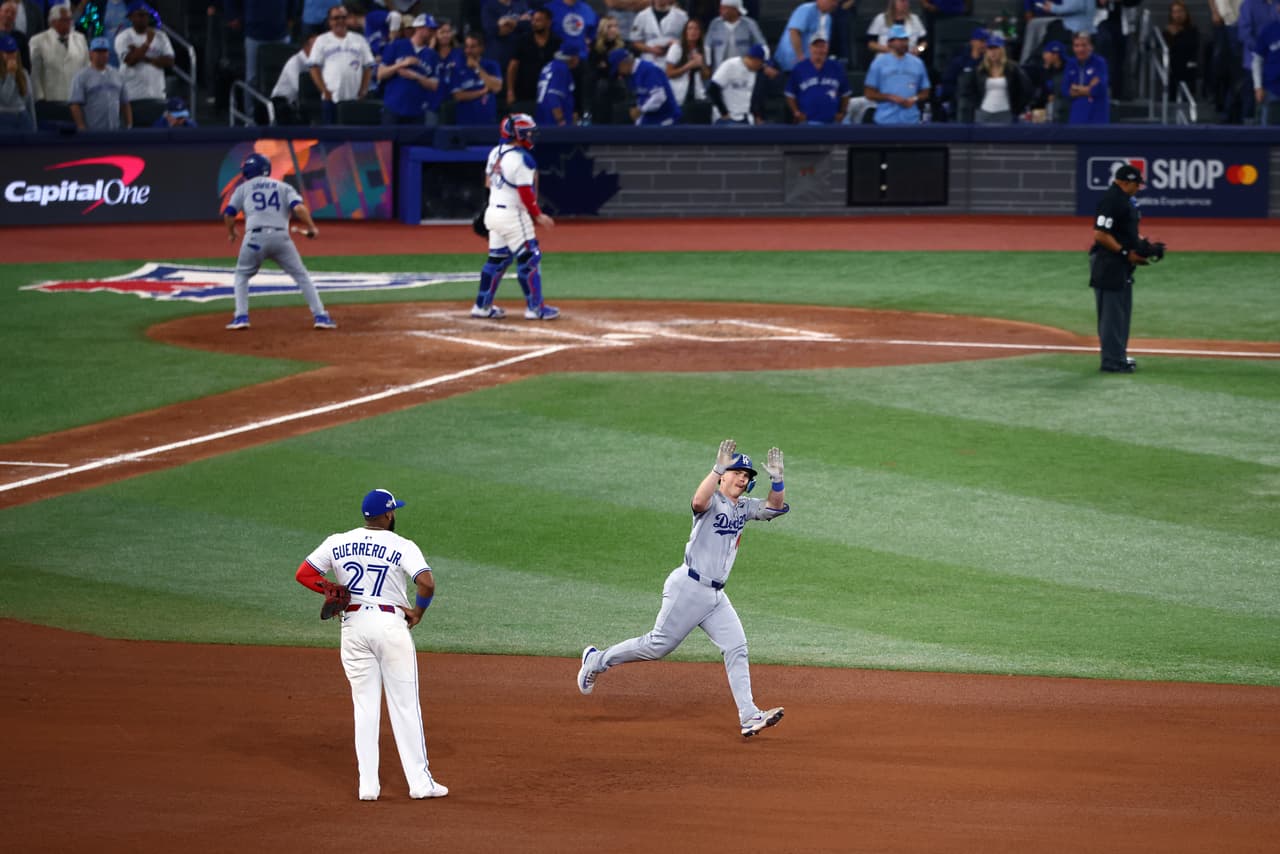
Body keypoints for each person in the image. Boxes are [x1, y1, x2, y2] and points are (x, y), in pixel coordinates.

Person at [576, 440, 790, 739]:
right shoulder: (712, 501)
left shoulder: (744, 508)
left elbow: (775, 508)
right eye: (738, 472)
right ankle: (596, 660)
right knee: (656, 646)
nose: (743, 478)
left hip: (715, 596)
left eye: (747, 475)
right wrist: (716, 467)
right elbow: (698, 502)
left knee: (737, 647)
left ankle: (748, 714)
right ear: (723, 476)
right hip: (688, 587)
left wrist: (777, 480)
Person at [294, 488, 448, 801]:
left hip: (352, 628)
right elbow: (427, 582)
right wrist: (418, 612)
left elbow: (304, 574)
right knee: (404, 705)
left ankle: (368, 786)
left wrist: (331, 588)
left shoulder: (337, 541)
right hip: (390, 626)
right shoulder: (402, 545)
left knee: (364, 706)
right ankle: (420, 784)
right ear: (389, 514)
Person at [222, 152, 335, 331]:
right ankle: (320, 315)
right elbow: (298, 208)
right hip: (281, 238)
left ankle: (241, 317)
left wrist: (231, 232)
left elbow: (229, 214)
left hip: (254, 239)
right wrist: (312, 227)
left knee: (242, 276)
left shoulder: (243, 189)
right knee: (301, 276)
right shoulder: (282, 187)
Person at [471, 113, 559, 321]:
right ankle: (535, 308)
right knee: (530, 258)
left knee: (497, 260)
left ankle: (482, 306)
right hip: (513, 215)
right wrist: (538, 215)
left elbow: (487, 184)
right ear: (516, 133)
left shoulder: (495, 153)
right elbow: (526, 194)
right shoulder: (522, 159)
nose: (531, 136)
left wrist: (486, 212)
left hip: (493, 211)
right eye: (527, 132)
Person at [1089, 163, 1161, 374]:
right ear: (1124, 182)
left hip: (1120, 264)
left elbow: (1126, 232)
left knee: (1121, 313)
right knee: (1112, 315)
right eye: (1136, 184)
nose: (1138, 187)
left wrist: (1145, 246)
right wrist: (1125, 253)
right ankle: (1112, 361)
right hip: (1108, 263)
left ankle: (1118, 355)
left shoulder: (1124, 200)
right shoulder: (1111, 200)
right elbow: (1100, 234)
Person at [309, 4, 375, 124]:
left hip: (355, 99)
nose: (340, 21)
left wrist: (364, 89)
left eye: (343, 17)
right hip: (331, 99)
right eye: (336, 18)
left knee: (354, 138)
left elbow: (368, 66)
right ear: (329, 21)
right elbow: (314, 68)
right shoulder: (321, 40)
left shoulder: (359, 39)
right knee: (330, 138)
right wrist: (324, 91)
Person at [223, 0, 290, 109]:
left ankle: (282, 114)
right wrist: (233, 15)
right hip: (254, 33)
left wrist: (290, 16)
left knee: (284, 79)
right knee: (252, 78)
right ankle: (250, 118)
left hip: (280, 31)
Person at [377, 14, 440, 125]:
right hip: (393, 107)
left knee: (414, 142)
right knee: (388, 141)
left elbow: (434, 85)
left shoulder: (432, 55)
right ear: (419, 28)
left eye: (433, 30)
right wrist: (401, 64)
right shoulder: (397, 45)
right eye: (429, 29)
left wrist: (416, 76)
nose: (431, 33)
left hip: (417, 110)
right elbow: (380, 74)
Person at [959, 31, 1031, 122]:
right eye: (990, 49)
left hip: (1005, 112)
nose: (993, 52)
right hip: (984, 112)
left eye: (996, 48)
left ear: (1002, 50)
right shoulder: (980, 70)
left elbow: (1026, 89)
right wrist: (976, 106)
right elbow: (970, 91)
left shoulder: (1012, 69)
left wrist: (1017, 109)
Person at [864, 23, 930, 123]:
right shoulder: (878, 63)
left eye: (905, 40)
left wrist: (914, 98)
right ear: (890, 43)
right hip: (885, 120)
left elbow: (925, 91)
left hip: (911, 119)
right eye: (899, 40)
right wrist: (890, 97)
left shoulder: (917, 63)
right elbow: (869, 93)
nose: (904, 43)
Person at [114, 0, 173, 101]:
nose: (144, 18)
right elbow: (130, 61)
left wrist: (143, 56)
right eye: (140, 15)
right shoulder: (123, 37)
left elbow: (169, 62)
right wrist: (147, 43)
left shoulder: (160, 36)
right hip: (131, 95)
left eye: (146, 15)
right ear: (130, 17)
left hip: (157, 94)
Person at [785, 32, 849, 122]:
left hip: (832, 122)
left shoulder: (837, 67)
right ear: (810, 48)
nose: (819, 50)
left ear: (827, 48)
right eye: (816, 46)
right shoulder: (799, 68)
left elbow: (845, 93)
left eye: (822, 46)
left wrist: (842, 113)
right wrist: (796, 112)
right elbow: (790, 94)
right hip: (808, 122)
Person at [29, 4, 87, 105]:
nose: (69, 23)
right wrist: (39, 98)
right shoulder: (38, 41)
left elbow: (86, 68)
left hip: (77, 100)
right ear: (53, 22)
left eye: (70, 19)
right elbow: (35, 73)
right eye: (65, 20)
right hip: (51, 100)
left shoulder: (80, 39)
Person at [67, 36, 130, 129]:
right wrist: (81, 126)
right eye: (98, 51)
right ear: (91, 54)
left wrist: (129, 125)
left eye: (104, 51)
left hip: (115, 130)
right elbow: (75, 105)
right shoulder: (81, 76)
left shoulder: (117, 74)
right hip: (92, 131)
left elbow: (125, 103)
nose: (102, 54)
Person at [610, 45, 681, 124]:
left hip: (667, 117)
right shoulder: (630, 75)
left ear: (624, 63)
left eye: (618, 69)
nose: (619, 73)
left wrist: (640, 110)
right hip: (650, 117)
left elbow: (659, 97)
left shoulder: (648, 70)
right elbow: (640, 98)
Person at [506, 6, 559, 111]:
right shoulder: (522, 41)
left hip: (549, 97)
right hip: (524, 95)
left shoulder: (557, 42)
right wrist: (510, 91)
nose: (534, 23)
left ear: (549, 22)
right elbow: (513, 67)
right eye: (533, 20)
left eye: (539, 20)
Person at [451, 31, 503, 125]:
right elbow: (458, 96)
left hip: (487, 121)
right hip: (464, 121)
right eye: (466, 47)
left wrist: (477, 68)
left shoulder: (491, 65)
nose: (468, 50)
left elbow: (496, 88)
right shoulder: (458, 67)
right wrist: (482, 92)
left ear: (481, 48)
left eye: (472, 47)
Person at [936, 25, 986, 121]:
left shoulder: (988, 63)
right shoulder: (959, 62)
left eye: (986, 42)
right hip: (961, 105)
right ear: (973, 41)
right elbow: (946, 85)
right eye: (982, 41)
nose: (985, 44)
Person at [708, 40, 765, 121]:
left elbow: (752, 97)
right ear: (755, 60)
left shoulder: (754, 72)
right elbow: (712, 89)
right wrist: (724, 113)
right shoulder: (730, 65)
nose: (761, 66)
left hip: (746, 117)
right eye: (760, 63)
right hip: (727, 117)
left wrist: (756, 115)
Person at [773, 0, 836, 72]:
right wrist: (800, 58)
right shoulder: (806, 9)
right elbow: (794, 32)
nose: (834, 4)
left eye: (836, 2)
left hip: (811, 66)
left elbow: (824, 43)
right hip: (791, 64)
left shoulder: (828, 19)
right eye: (832, 1)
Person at [269, 31, 317, 125]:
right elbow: (300, 88)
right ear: (306, 47)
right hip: (282, 102)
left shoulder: (317, 61)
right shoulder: (294, 63)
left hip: (302, 102)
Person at [704, 0, 767, 70]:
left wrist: (765, 63)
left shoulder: (750, 24)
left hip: (743, 70)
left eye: (724, 8)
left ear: (734, 10)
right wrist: (707, 64)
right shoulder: (715, 24)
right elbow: (707, 46)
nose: (720, 11)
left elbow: (763, 46)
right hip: (720, 71)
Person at [665, 15, 710, 114]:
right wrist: (689, 66)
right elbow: (669, 73)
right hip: (678, 94)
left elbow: (706, 76)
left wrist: (701, 64)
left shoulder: (705, 49)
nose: (693, 31)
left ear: (701, 32)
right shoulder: (676, 48)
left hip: (697, 95)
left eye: (696, 29)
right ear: (685, 31)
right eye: (690, 28)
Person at [1062, 29, 1108, 123]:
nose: (1080, 49)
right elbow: (1065, 90)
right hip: (1076, 117)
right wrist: (1087, 88)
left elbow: (1098, 89)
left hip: (1096, 117)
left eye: (1084, 45)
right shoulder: (1071, 64)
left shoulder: (1099, 63)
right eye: (1077, 46)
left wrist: (1076, 88)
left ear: (1091, 47)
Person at [535, 35, 581, 126]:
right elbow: (553, 95)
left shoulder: (550, 65)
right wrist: (560, 120)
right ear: (573, 58)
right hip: (552, 121)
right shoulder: (562, 69)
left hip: (541, 116)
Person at [1021, 38, 1066, 121]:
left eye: (1046, 53)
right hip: (1043, 110)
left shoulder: (1067, 71)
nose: (1043, 55)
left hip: (1062, 110)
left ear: (1055, 55)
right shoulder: (1042, 70)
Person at [1161, 1, 1200, 96]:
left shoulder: (1192, 30)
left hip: (1188, 66)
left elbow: (1189, 46)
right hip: (1172, 68)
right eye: (1175, 12)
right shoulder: (1166, 32)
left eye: (1180, 11)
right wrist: (1171, 35)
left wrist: (1178, 33)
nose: (1178, 15)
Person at [481, 0, 531, 73]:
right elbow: (498, 31)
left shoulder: (520, 4)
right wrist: (519, 22)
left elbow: (528, 26)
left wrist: (509, 22)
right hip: (498, 57)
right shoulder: (489, 7)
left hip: (519, 57)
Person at [0, 31, 34, 129]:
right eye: (7, 52)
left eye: (13, 52)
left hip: (23, 117)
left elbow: (29, 102)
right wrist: (10, 74)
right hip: (3, 117)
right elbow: (5, 99)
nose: (11, 55)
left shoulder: (23, 73)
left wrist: (34, 127)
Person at [1251, 9, 1280, 123]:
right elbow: (1257, 60)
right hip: (1272, 89)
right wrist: (1258, 87)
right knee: (1268, 134)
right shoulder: (1268, 30)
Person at [0, 0, 29, 71]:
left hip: (15, 76)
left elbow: (26, 64)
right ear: (0, 12)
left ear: (15, 16)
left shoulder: (21, 38)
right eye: (6, 11)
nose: (9, 15)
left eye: (13, 13)